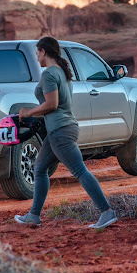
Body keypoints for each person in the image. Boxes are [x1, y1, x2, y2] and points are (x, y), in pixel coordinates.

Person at [14, 37, 117, 229]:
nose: (36, 58)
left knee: (79, 170)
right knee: (39, 168)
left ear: (44, 51)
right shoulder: (63, 73)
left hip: (60, 131)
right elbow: (58, 106)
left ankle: (107, 212)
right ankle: (33, 216)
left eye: (37, 53)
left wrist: (29, 112)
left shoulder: (49, 74)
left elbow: (52, 105)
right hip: (62, 129)